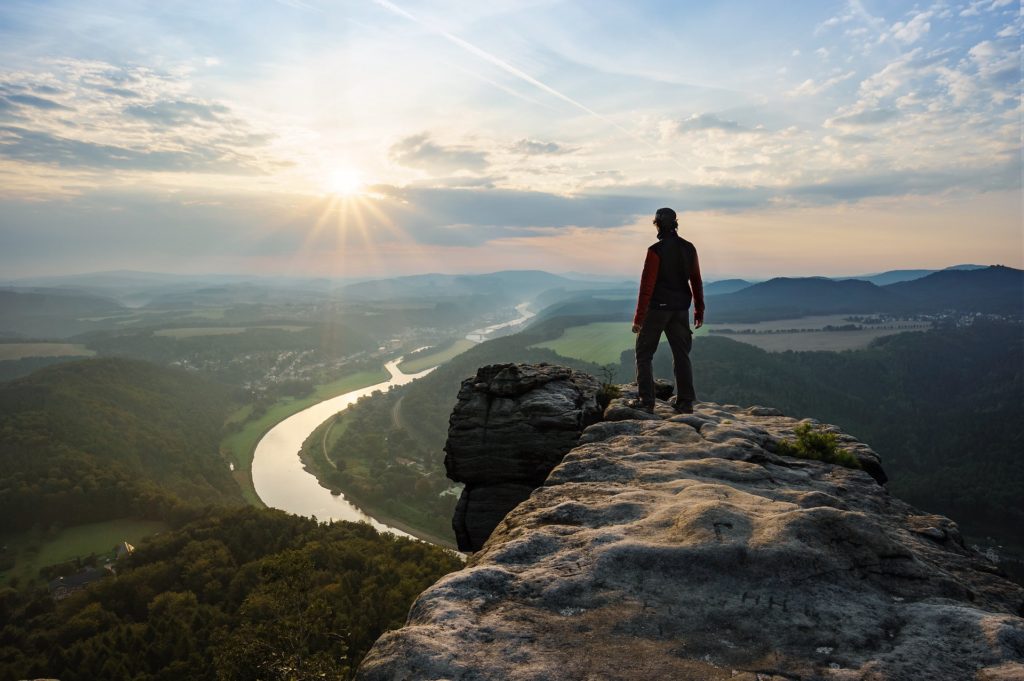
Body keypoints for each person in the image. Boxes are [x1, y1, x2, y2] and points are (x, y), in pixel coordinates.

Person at [630, 207, 705, 413]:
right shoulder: (689, 248)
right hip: (681, 309)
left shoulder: (655, 251)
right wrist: (699, 310)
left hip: (657, 310)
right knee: (681, 354)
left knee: (644, 353)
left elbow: (647, 286)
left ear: (656, 224)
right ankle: (685, 402)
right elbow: (696, 281)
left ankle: (646, 402)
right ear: (676, 223)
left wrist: (638, 318)